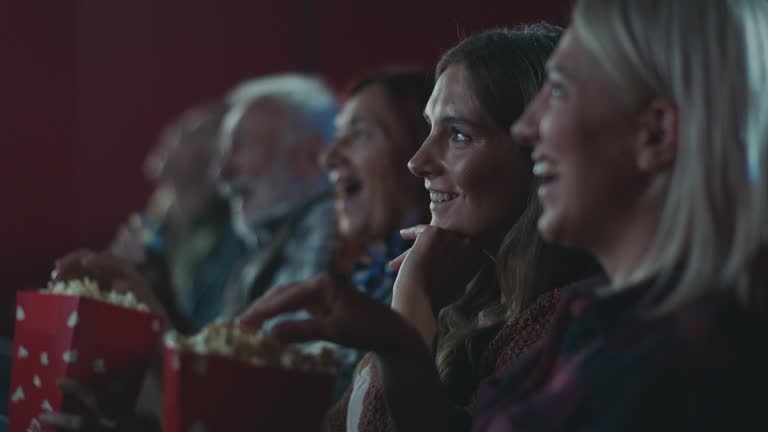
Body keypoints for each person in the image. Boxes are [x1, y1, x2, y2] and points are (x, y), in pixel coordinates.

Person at [239, 25, 599, 432]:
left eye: (459, 135)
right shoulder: (458, 298)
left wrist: (405, 322)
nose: (419, 161)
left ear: (538, 152)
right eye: (430, 129)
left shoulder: (562, 324)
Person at [110, 104, 246, 333]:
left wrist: (153, 291)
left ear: (216, 158)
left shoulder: (234, 239)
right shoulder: (149, 227)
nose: (170, 135)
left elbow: (208, 339)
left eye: (189, 132)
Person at [214, 74, 338, 322]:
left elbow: (288, 353)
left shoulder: (326, 225)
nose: (221, 170)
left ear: (312, 156)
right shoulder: (271, 241)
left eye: (240, 145)